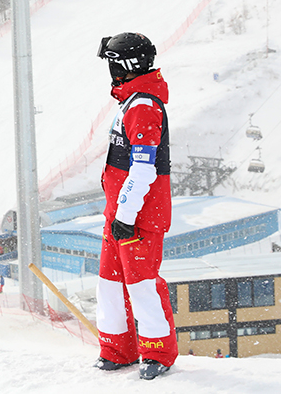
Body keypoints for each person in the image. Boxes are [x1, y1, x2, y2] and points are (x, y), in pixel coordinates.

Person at [92, 33, 177, 381]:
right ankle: (117, 349)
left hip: (138, 217)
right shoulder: (130, 102)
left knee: (142, 285)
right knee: (109, 283)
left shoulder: (143, 106)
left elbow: (143, 169)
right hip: (120, 214)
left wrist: (126, 216)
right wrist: (117, 214)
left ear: (123, 66)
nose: (109, 70)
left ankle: (157, 353)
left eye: (112, 63)